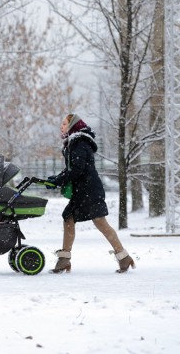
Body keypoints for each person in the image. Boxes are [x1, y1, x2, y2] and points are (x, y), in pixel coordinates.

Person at [45, 113, 136, 274]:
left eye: (65, 124)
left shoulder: (78, 142)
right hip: (84, 190)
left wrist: (59, 181)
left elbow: (77, 170)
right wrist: (57, 178)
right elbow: (72, 169)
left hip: (88, 190)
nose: (62, 126)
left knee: (97, 221)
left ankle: (123, 257)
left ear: (73, 125)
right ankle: (65, 259)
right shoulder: (73, 142)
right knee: (74, 219)